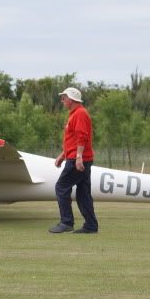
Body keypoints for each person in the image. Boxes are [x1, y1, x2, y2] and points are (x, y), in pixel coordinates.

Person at [49, 87, 99, 234]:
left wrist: (78, 157)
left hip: (77, 160)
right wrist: (62, 156)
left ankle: (66, 222)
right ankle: (91, 225)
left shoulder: (80, 114)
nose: (62, 100)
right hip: (78, 158)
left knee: (61, 187)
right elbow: (73, 141)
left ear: (71, 99)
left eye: (64, 98)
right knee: (83, 193)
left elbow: (81, 137)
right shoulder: (76, 114)